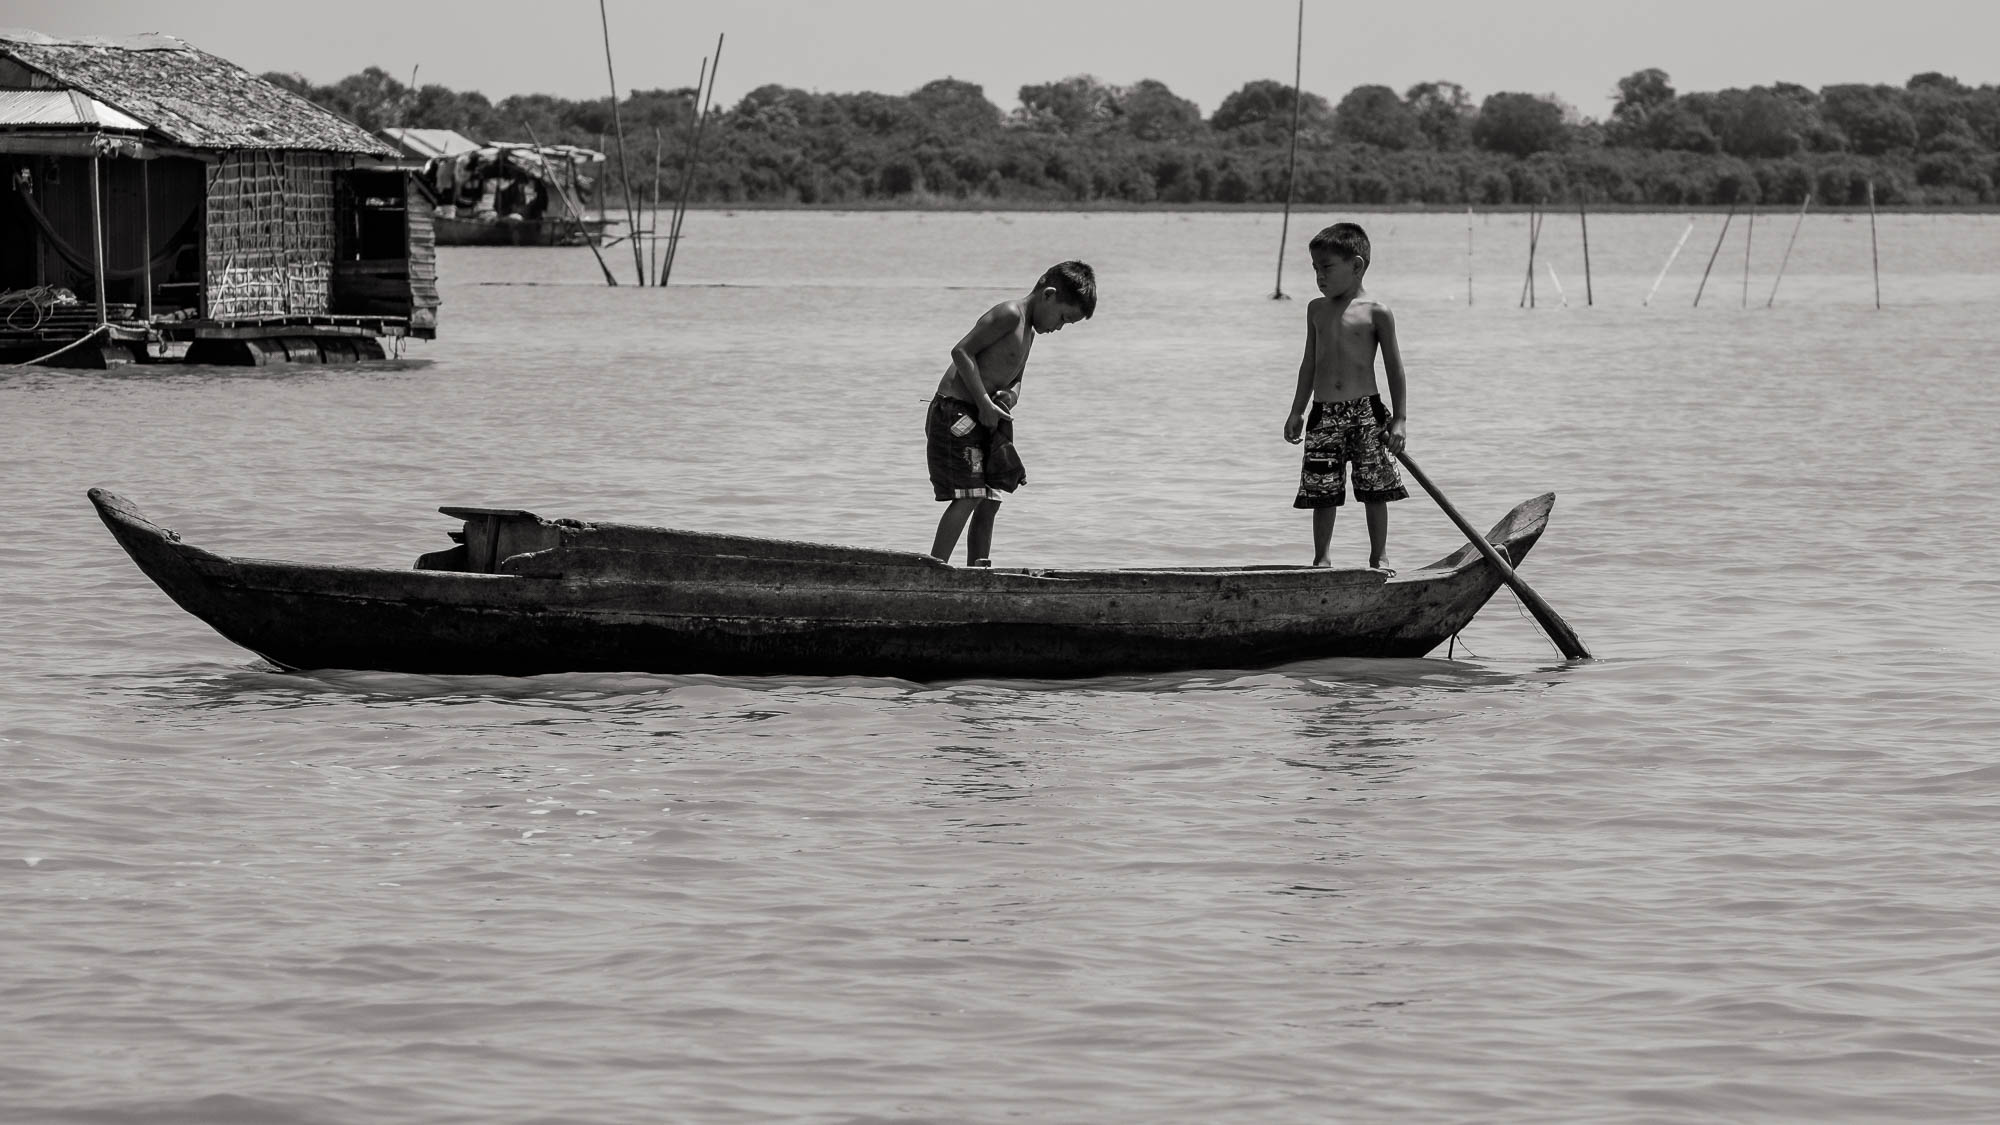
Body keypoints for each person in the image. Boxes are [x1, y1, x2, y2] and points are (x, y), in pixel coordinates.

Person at [926, 260, 1097, 565]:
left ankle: (978, 573)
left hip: (986, 417)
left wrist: (1010, 395)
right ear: (1048, 294)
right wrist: (983, 403)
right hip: (956, 414)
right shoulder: (1009, 315)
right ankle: (933, 571)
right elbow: (961, 352)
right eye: (1062, 318)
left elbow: (1017, 377)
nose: (1058, 328)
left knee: (990, 499)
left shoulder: (1029, 332)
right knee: (970, 495)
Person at [1282, 223, 1409, 570]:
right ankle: (1322, 559)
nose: (1320, 277)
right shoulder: (1316, 310)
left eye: (1327, 268)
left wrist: (1399, 419)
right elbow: (1309, 363)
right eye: (1315, 269)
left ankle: (1378, 557)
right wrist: (1297, 410)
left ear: (1356, 266)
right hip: (1324, 413)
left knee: (1374, 487)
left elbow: (1395, 368)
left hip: (1365, 411)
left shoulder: (1376, 312)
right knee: (1322, 490)